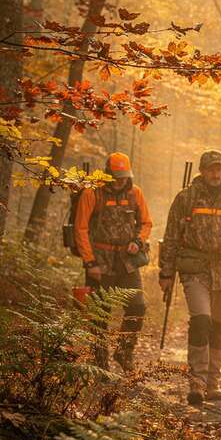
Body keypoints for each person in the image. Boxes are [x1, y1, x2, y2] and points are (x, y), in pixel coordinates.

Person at [159, 150, 221, 406]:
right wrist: (166, 273)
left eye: (219, 168)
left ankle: (213, 382)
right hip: (195, 269)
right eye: (211, 169)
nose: (215, 174)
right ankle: (197, 382)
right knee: (201, 320)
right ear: (202, 171)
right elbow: (170, 238)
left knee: (219, 327)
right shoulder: (186, 198)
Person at [74, 152, 153, 372]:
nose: (121, 180)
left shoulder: (135, 193)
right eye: (116, 176)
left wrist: (138, 241)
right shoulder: (92, 193)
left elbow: (146, 223)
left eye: (124, 176)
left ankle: (124, 351)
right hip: (100, 261)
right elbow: (81, 229)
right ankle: (100, 362)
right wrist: (90, 263)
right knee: (100, 313)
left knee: (137, 307)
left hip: (127, 262)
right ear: (107, 174)